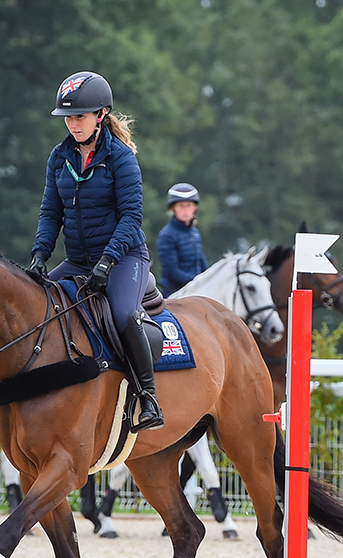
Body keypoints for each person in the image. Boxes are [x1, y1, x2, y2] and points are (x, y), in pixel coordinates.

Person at [30, 71, 163, 431]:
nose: (73, 124)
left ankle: (148, 396)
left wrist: (107, 260)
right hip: (77, 260)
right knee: (35, 305)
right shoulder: (59, 157)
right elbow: (50, 212)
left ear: (101, 115)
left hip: (124, 258)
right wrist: (41, 253)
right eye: (69, 117)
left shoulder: (121, 158)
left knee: (122, 315)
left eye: (80, 116)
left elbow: (132, 217)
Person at [156, 183, 209, 295]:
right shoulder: (166, 235)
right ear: (172, 209)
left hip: (195, 289)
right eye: (181, 206)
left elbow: (201, 261)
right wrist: (198, 281)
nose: (185, 210)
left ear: (195, 208)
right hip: (175, 293)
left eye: (189, 205)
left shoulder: (195, 233)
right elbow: (172, 271)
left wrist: (209, 277)